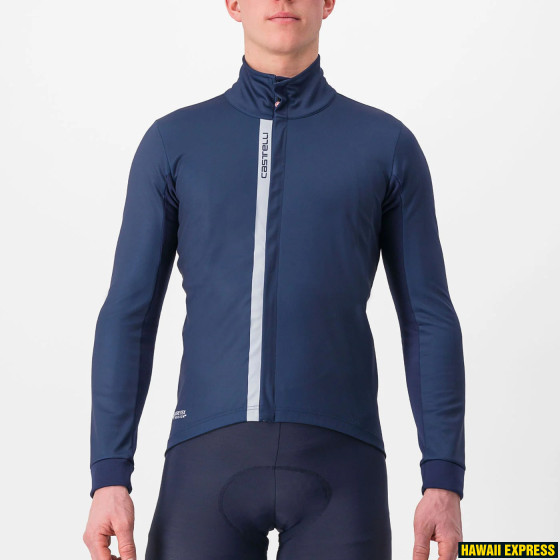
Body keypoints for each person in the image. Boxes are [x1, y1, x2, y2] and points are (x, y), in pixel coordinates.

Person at [83, 1, 466, 559]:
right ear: (233, 4)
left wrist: (444, 478)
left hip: (343, 469)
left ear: (328, 3)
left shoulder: (385, 146)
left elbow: (428, 318)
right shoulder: (174, 143)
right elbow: (129, 315)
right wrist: (109, 476)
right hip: (204, 467)